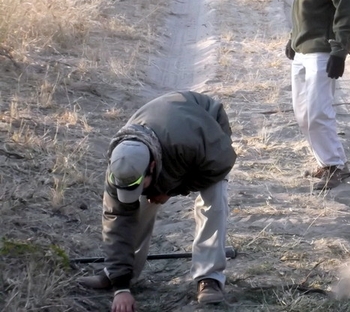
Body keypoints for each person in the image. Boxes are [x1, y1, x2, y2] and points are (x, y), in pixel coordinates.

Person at [78, 91, 237, 311]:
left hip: (207, 128)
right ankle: (123, 273)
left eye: (140, 184)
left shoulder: (189, 145)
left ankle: (209, 276)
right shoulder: (120, 164)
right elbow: (117, 222)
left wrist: (174, 189)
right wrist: (121, 287)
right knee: (140, 206)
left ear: (151, 167)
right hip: (167, 135)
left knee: (213, 199)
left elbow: (223, 162)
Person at [284, 0, 350, 190]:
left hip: (323, 51)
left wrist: (340, 51)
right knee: (302, 114)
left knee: (318, 112)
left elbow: (344, 11)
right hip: (303, 48)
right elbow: (303, 7)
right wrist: (293, 38)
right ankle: (325, 161)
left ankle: (335, 165)